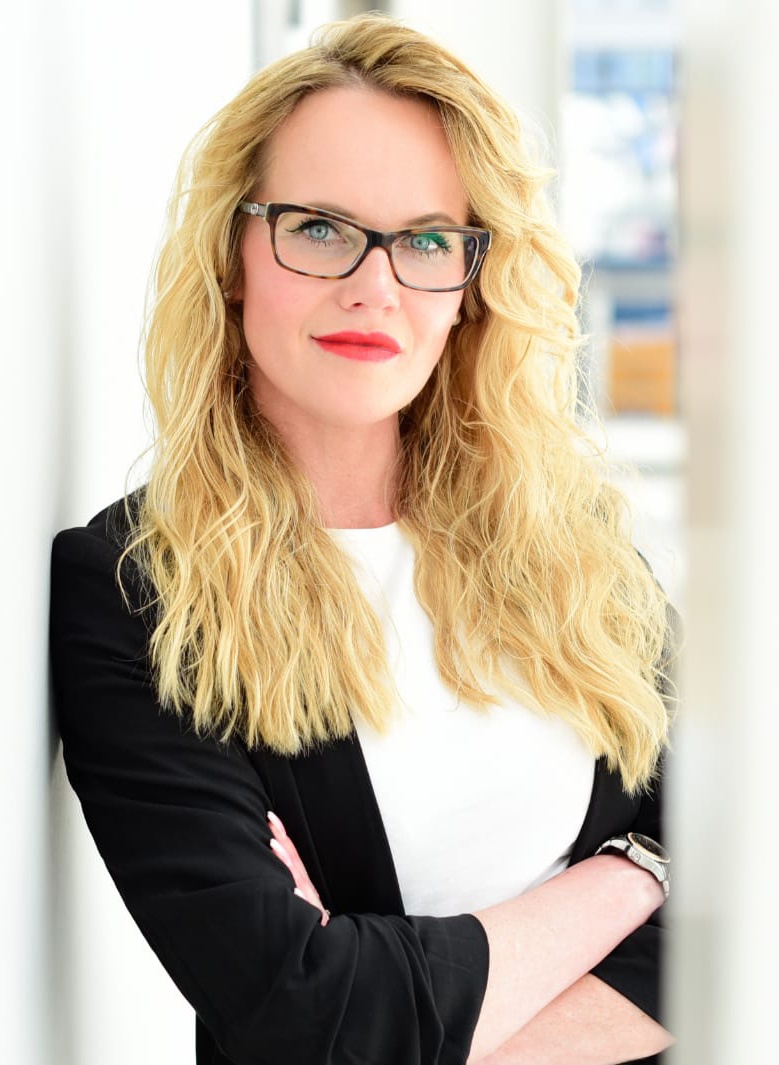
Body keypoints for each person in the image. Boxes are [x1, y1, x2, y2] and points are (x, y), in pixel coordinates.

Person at [50, 13, 676, 1065]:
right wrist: (637, 877)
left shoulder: (570, 545)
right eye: (317, 227)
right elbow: (308, 1019)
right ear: (234, 253)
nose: (373, 285)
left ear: (471, 285)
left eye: (427, 240)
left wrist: (402, 1014)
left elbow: (745, 875)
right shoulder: (140, 590)